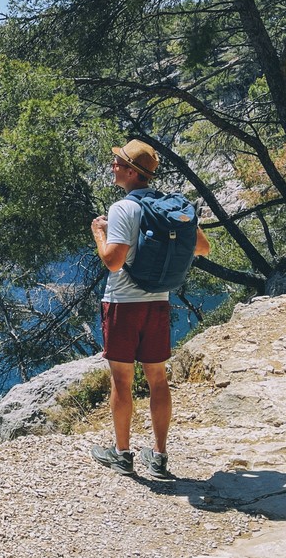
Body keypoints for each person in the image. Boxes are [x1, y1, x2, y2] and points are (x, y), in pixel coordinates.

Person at [88, 139, 209, 479]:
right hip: (158, 302)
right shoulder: (170, 206)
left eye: (118, 162)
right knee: (158, 379)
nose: (113, 166)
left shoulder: (123, 208)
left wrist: (99, 233)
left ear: (131, 172)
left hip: (123, 305)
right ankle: (159, 457)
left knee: (121, 381)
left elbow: (113, 262)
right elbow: (203, 247)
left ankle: (122, 454)